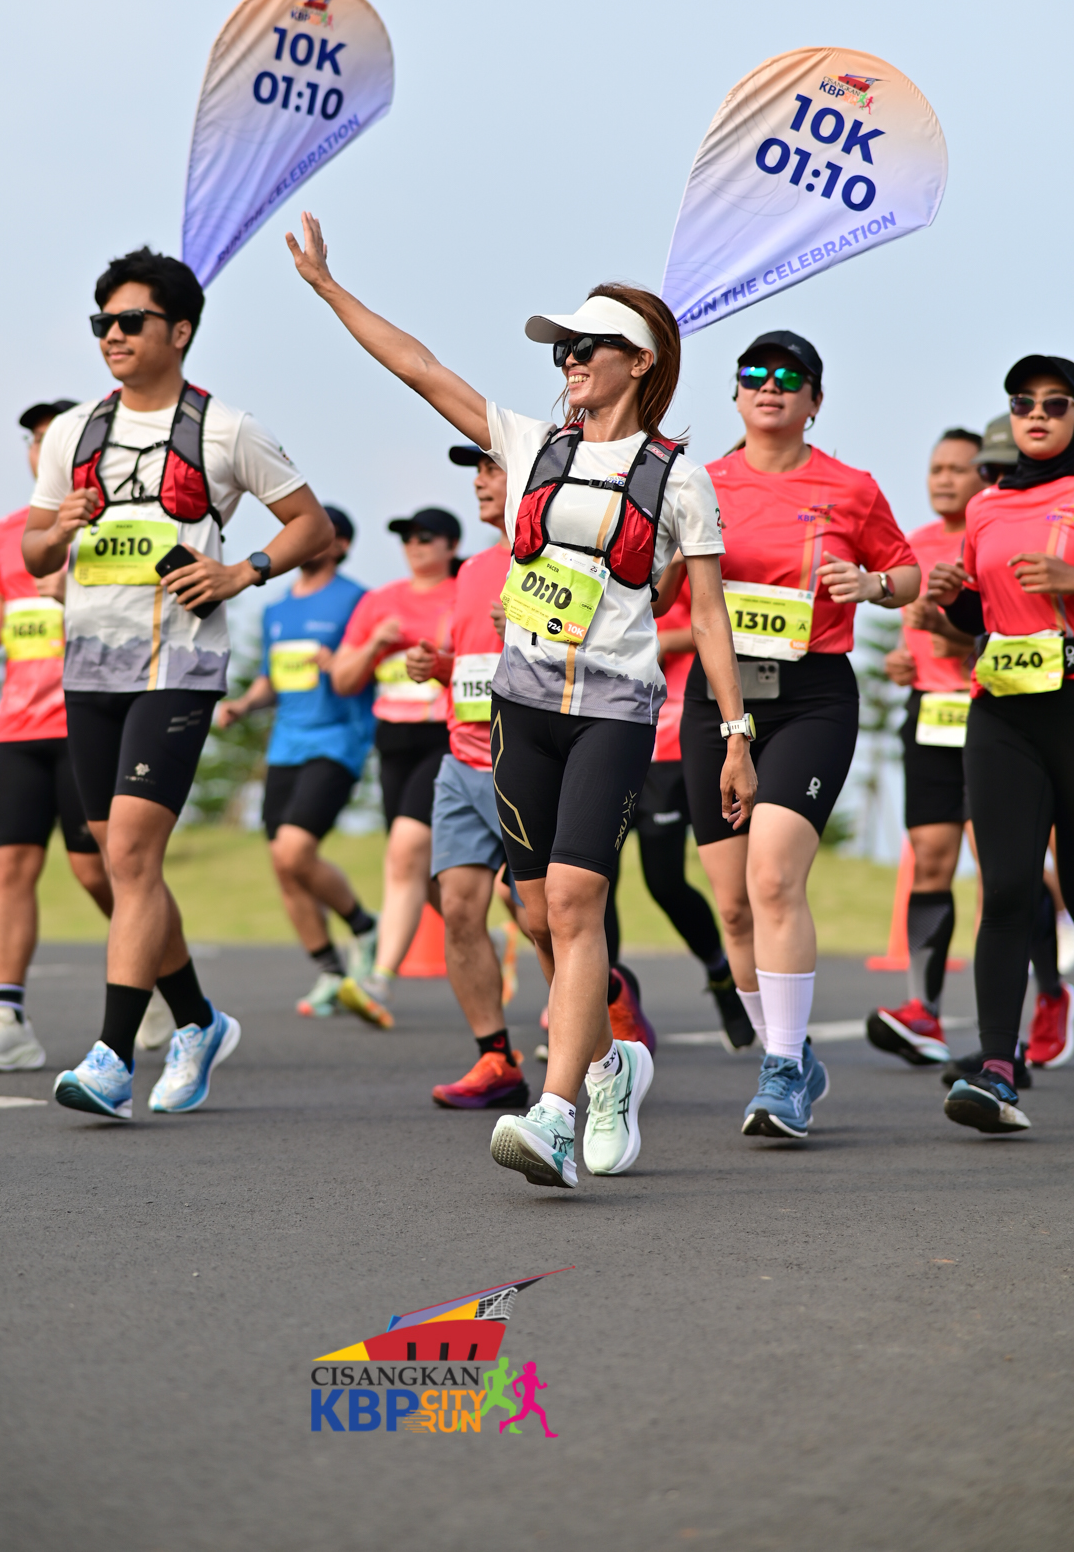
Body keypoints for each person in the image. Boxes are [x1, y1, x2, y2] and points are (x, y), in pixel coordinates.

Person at [287, 211, 754, 1188]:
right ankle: (612, 1064)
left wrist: (734, 734)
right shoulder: (531, 443)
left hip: (615, 712)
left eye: (588, 346)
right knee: (538, 916)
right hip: (520, 712)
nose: (570, 360)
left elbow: (708, 615)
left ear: (640, 361)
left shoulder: (679, 478)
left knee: (578, 903)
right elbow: (421, 370)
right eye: (563, 348)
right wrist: (329, 290)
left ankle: (554, 1111)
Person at [23, 246, 332, 1120]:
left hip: (179, 668)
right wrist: (61, 528)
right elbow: (34, 553)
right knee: (118, 867)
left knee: (129, 856)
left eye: (131, 321)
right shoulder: (74, 432)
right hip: (91, 665)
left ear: (181, 331)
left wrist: (244, 572)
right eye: (102, 323)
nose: (112, 336)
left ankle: (113, 1059)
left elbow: (308, 523)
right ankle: (197, 1019)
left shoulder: (224, 429)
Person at [679, 329, 919, 1139]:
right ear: (735, 393)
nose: (770, 385)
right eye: (754, 373)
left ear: (815, 401)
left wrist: (872, 583)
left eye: (790, 376)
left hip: (811, 696)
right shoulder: (698, 483)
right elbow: (660, 589)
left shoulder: (850, 488)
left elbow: (908, 573)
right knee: (733, 907)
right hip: (717, 700)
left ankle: (780, 1073)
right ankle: (792, 1051)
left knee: (774, 878)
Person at [929, 356, 1074, 1134]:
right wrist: (947, 604)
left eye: (1056, 403)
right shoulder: (987, 506)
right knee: (1008, 889)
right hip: (1001, 711)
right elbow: (982, 614)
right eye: (1024, 402)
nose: (1038, 415)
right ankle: (996, 1069)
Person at [0, 402, 117, 1071]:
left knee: (97, 870)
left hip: (87, 721)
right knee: (10, 865)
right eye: (34, 437)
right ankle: (7, 1019)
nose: (40, 447)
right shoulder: (8, 531)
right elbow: (4, 596)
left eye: (56, 437)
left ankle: (162, 980)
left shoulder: (111, 525)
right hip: (16, 727)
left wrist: (72, 595)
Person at [215, 504, 384, 1024]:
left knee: (295, 851)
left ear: (340, 545)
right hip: (285, 746)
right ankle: (330, 969)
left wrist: (343, 665)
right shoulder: (277, 610)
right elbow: (272, 679)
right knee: (283, 865)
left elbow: (372, 665)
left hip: (336, 743)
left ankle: (364, 927)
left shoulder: (359, 601)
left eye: (318, 534)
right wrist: (244, 704)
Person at [406, 443, 530, 1110]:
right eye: (476, 471)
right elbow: (477, 668)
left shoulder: (562, 559)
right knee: (457, 907)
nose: (480, 482)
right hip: (462, 759)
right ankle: (496, 1058)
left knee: (546, 921)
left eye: (491, 468)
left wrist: (534, 630)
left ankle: (608, 1016)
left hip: (533, 761)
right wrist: (439, 667)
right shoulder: (475, 569)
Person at [870, 427, 987, 1067]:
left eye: (957, 469)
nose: (943, 478)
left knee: (1002, 871)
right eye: (936, 468)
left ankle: (1047, 1000)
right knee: (932, 860)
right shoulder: (913, 543)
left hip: (992, 714)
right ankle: (924, 1010)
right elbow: (909, 642)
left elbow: (1008, 631)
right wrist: (900, 660)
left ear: (985, 476)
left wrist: (953, 636)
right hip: (930, 717)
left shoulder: (992, 536)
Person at [328, 505, 460, 1008]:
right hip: (393, 742)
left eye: (426, 537)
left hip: (444, 737)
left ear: (451, 545)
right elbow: (343, 681)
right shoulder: (379, 601)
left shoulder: (464, 592)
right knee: (418, 871)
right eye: (407, 538)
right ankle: (480, 936)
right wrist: (374, 646)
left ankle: (378, 978)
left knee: (405, 851)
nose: (414, 546)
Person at [622, 575, 755, 1050]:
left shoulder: (701, 558)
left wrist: (660, 639)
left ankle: (721, 972)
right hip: (606, 737)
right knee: (591, 884)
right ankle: (606, 1006)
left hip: (673, 745)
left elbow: (728, 625)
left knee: (664, 883)